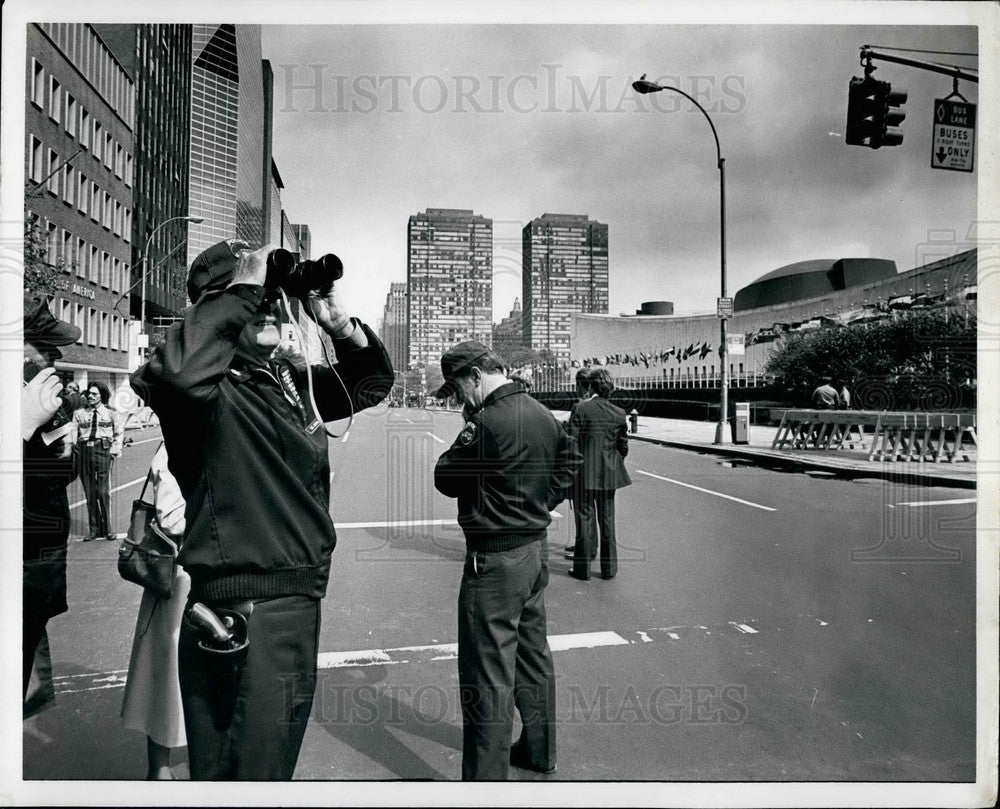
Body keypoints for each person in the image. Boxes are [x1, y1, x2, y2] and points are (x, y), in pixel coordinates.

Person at [130, 239, 393, 780]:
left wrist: (339, 325)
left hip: (293, 605)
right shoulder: (203, 392)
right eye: (256, 300)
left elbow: (371, 383)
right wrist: (248, 283)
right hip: (245, 613)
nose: (272, 306)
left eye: (277, 299)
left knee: (268, 772)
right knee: (243, 776)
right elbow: (175, 373)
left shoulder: (283, 382)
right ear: (218, 311)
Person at [433, 341, 582, 781]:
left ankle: (484, 781)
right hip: (533, 550)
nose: (459, 398)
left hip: (495, 559)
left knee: (487, 673)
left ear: (475, 377)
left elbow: (446, 477)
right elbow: (570, 457)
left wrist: (466, 430)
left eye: (458, 388)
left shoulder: (486, 423)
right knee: (533, 658)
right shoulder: (539, 411)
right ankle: (540, 751)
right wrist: (540, 501)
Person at [22, 294, 81, 714]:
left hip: (36, 569)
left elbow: (59, 475)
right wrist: (20, 426)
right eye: (43, 347)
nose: (54, 357)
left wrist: (63, 443)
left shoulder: (40, 401)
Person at [120, 443, 190, 780]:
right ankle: (160, 770)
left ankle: (160, 768)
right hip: (180, 574)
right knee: (168, 669)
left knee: (163, 667)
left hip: (175, 575)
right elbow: (173, 518)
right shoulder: (179, 441)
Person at [566, 369, 631, 581]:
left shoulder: (581, 409)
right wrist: (612, 463)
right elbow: (623, 447)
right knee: (607, 520)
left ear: (591, 386)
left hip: (583, 474)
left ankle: (582, 570)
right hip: (609, 474)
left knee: (584, 520)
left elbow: (571, 442)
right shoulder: (619, 413)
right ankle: (609, 569)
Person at [73, 381, 124, 540]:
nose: (90, 396)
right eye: (89, 393)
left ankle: (108, 528)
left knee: (103, 492)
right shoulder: (79, 413)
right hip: (84, 452)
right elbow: (73, 433)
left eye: (94, 394)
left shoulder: (111, 413)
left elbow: (118, 432)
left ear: (102, 395)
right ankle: (94, 529)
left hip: (103, 451)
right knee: (90, 492)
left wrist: (115, 448)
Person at [563, 367, 594, 556]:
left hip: (580, 465)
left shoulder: (579, 406)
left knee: (581, 510)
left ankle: (583, 549)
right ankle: (590, 547)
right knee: (591, 510)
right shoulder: (600, 404)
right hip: (597, 466)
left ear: (580, 386)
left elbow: (572, 438)